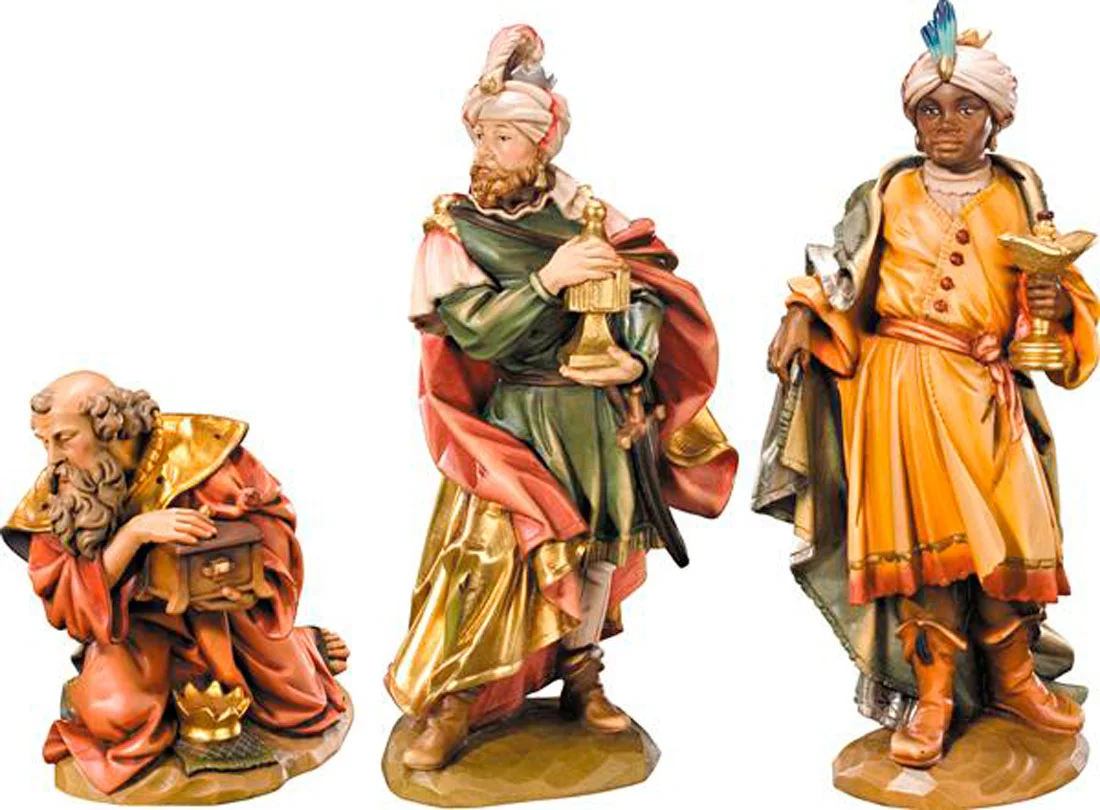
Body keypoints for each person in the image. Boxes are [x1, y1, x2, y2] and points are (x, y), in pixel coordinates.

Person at [755, 1, 1097, 769]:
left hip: (985, 391)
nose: (948, 123)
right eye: (931, 108)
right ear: (912, 120)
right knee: (924, 554)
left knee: (1013, 535)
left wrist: (1047, 307)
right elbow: (839, 275)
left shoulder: (1020, 193)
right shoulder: (886, 193)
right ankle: (934, 694)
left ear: (995, 120)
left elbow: (1055, 298)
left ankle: (1014, 678)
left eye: (966, 107)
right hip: (899, 390)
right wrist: (803, 316)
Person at [388, 24, 737, 771]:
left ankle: (583, 677)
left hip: (595, 417)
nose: (486, 153)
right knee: (489, 556)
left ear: (541, 145)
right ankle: (455, 701)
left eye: (504, 138)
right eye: (480, 137)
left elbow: (647, 294)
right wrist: (550, 280)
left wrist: (633, 358)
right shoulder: (455, 231)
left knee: (599, 551)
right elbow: (474, 329)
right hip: (516, 422)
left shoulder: (592, 216)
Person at [3, 371, 349, 794]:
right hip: (135, 627)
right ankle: (104, 681)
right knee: (116, 717)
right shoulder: (60, 491)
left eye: (64, 438)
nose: (52, 458)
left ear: (110, 429)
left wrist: (247, 573)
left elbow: (272, 522)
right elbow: (67, 596)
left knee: (300, 701)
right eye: (44, 442)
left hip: (228, 620)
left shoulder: (198, 452)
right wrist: (135, 534)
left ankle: (301, 645)